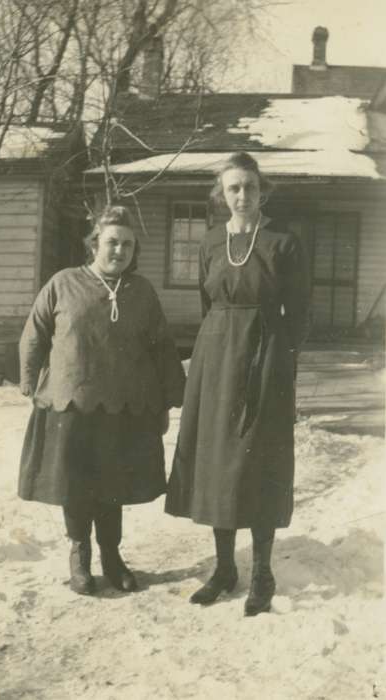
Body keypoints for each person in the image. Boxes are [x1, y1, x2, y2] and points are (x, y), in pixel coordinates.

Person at [165, 152, 311, 616]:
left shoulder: (283, 243)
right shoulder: (210, 243)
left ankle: (262, 572)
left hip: (266, 356)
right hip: (215, 361)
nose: (242, 195)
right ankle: (225, 568)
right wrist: (209, 359)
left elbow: (300, 314)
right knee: (218, 461)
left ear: (261, 189)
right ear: (221, 194)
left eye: (249, 186)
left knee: (259, 457)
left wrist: (283, 364)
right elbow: (205, 305)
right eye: (234, 188)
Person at [18, 205, 185, 596]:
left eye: (127, 244)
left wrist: (172, 395)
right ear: (95, 243)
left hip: (123, 407)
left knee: (113, 485)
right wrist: (28, 380)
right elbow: (35, 333)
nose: (119, 251)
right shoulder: (63, 283)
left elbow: (161, 346)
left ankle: (112, 557)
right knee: (75, 485)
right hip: (70, 403)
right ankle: (80, 556)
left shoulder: (141, 291)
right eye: (112, 242)